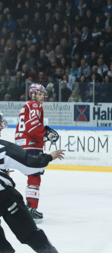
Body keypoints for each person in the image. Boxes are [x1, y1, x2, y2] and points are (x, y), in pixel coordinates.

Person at [0, 111, 69, 253]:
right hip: (6, 197)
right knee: (28, 232)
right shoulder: (3, 147)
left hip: (6, 197)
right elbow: (30, 166)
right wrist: (48, 157)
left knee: (27, 232)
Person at [14, 84, 60, 223]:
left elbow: (27, 124)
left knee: (32, 176)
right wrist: (45, 134)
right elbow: (32, 124)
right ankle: (31, 208)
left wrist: (45, 130)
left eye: (42, 94)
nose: (42, 97)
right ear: (32, 94)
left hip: (22, 143)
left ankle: (29, 207)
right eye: (39, 94)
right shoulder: (35, 105)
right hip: (31, 144)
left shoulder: (26, 105)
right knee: (34, 176)